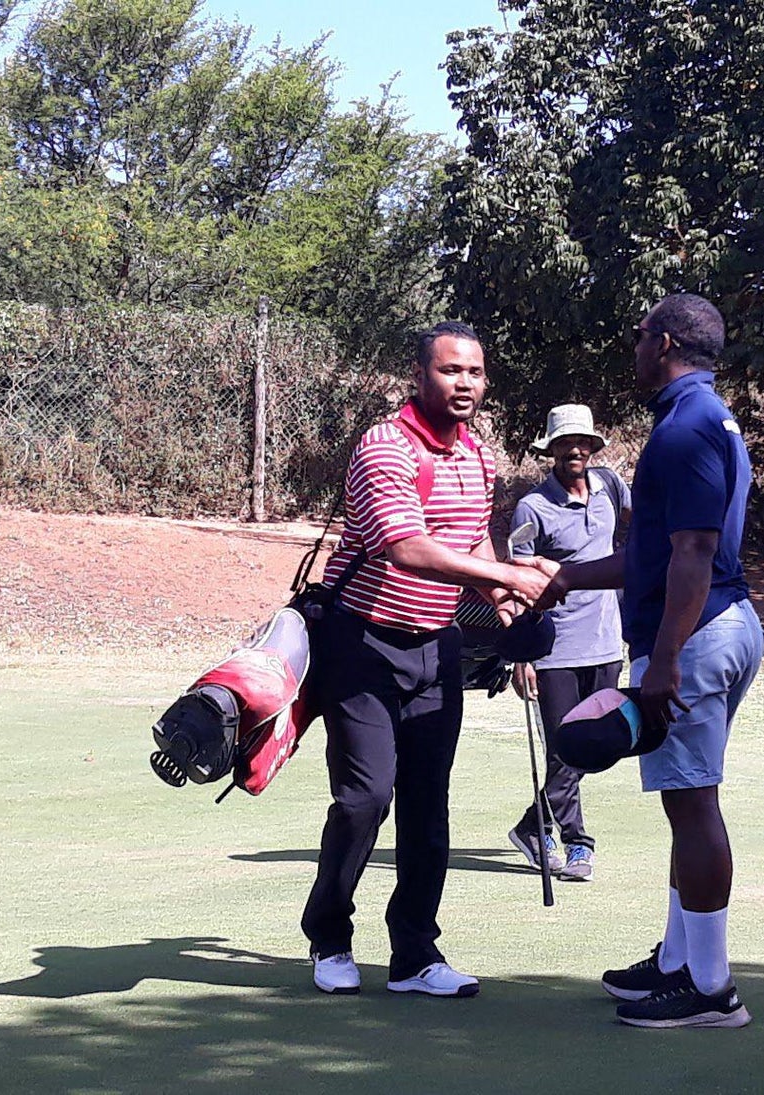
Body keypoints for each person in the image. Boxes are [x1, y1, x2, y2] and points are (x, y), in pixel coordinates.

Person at [302, 321, 554, 999]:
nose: (464, 382)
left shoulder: (477, 457)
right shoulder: (384, 446)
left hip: (436, 644)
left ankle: (414, 953)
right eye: (450, 370)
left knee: (426, 803)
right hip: (361, 641)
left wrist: (504, 601)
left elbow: (472, 545)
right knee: (365, 797)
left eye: (474, 371)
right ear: (420, 375)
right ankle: (329, 935)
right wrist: (508, 574)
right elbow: (404, 546)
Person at [538, 293, 763, 1029]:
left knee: (693, 800)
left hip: (696, 636)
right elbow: (654, 552)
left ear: (663, 341)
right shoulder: (705, 416)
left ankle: (711, 987)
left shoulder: (687, 426)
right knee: (683, 800)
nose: (632, 347)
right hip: (718, 625)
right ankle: (678, 961)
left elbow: (694, 553)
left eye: (638, 336)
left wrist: (663, 659)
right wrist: (568, 576)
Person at [506, 403, 631, 883]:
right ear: (551, 450)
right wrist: (522, 656)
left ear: (594, 447)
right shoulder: (533, 508)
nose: (574, 450)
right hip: (554, 649)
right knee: (565, 750)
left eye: (583, 443)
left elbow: (640, 527)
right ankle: (578, 842)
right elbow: (517, 580)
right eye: (565, 443)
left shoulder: (611, 487)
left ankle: (531, 827)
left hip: (606, 643)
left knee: (599, 745)